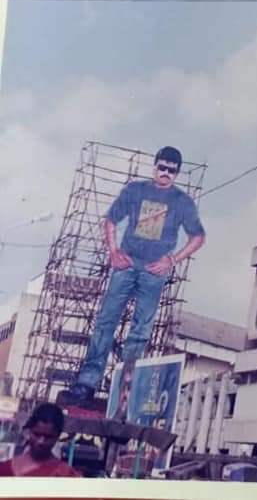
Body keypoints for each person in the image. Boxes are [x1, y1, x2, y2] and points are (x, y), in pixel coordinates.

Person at [61, 146, 206, 406]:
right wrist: (114, 251)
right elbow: (111, 220)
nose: (165, 173)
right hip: (126, 265)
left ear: (177, 173)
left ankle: (124, 389)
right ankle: (86, 384)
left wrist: (172, 260)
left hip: (153, 272)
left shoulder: (182, 201)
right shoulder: (135, 191)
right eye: (161, 167)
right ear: (154, 167)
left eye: (171, 170)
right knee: (106, 322)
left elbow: (198, 236)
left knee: (141, 331)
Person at [0, 403, 79, 477]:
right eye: (37, 434)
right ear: (29, 431)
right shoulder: (4, 469)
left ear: (57, 437)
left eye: (48, 437)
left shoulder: (64, 474)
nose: (41, 441)